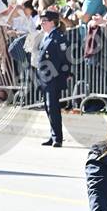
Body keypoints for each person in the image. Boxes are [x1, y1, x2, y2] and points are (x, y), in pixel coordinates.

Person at [36, 9, 70, 147]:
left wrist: (64, 75)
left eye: (45, 21)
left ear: (53, 22)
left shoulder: (58, 37)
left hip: (54, 77)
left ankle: (57, 138)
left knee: (53, 107)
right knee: (48, 107)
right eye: (41, 20)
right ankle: (53, 135)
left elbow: (64, 59)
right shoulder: (47, 36)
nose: (42, 23)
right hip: (45, 77)